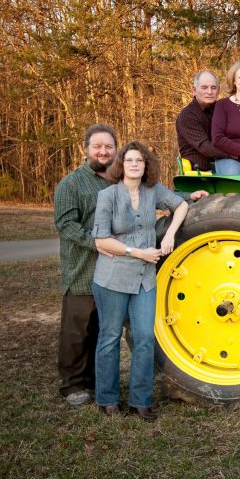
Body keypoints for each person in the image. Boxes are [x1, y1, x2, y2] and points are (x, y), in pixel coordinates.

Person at [92, 142, 188, 421]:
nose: (135, 164)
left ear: (147, 166)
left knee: (145, 337)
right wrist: (138, 252)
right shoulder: (108, 196)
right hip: (112, 277)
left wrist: (169, 233)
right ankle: (107, 398)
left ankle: (140, 400)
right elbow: (101, 240)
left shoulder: (152, 191)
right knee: (110, 338)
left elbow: (180, 205)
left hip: (145, 279)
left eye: (140, 161)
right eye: (130, 160)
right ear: (121, 165)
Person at [52, 123, 118, 407]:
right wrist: (99, 242)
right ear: (86, 149)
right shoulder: (72, 184)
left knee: (102, 330)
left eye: (108, 147)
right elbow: (66, 224)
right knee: (77, 330)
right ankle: (72, 384)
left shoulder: (119, 180)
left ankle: (93, 379)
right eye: (98, 146)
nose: (103, 151)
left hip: (114, 271)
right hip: (83, 269)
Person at [177, 70, 240, 172]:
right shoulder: (188, 116)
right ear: (194, 90)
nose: (209, 92)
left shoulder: (223, 108)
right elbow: (205, 147)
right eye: (204, 87)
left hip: (230, 162)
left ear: (218, 90)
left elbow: (239, 135)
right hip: (202, 172)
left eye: (213, 88)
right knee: (234, 174)